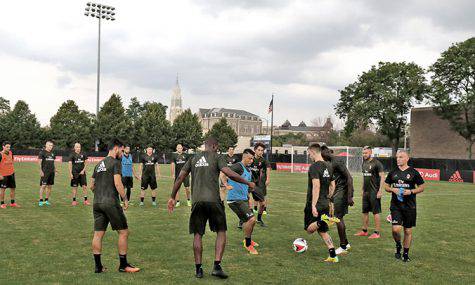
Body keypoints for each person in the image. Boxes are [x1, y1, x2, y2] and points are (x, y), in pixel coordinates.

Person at [168, 137, 255, 279]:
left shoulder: (193, 158)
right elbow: (229, 172)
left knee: (198, 234)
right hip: (214, 201)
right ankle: (217, 266)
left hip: (197, 202)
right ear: (214, 146)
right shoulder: (217, 157)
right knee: (221, 231)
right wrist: (247, 182)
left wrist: (172, 197)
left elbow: (180, 177)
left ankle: (198, 269)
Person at [90, 139, 140, 273]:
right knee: (123, 232)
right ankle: (123, 265)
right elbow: (118, 184)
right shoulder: (116, 163)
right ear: (116, 148)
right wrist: (125, 198)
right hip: (110, 202)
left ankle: (98, 267)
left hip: (97, 203)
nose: (123, 153)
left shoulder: (99, 164)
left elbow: (91, 186)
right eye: (122, 150)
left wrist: (100, 193)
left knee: (98, 234)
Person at [384, 150, 425, 262]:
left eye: (401, 157)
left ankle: (405, 254)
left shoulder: (414, 172)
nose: (398, 159)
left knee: (407, 231)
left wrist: (411, 192)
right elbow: (386, 187)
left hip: (410, 206)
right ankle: (398, 245)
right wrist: (393, 189)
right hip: (396, 205)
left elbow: (422, 187)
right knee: (396, 230)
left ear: (407, 158)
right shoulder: (393, 172)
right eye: (397, 157)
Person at [304, 143, 339, 263]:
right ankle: (333, 255)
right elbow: (333, 185)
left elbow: (316, 186)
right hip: (325, 202)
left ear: (313, 152)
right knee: (322, 231)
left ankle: (322, 220)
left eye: (309, 153)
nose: (309, 156)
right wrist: (329, 197)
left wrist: (313, 205)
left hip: (315, 203)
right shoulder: (329, 166)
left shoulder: (314, 167)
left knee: (309, 229)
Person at [224, 148, 259, 255]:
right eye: (250, 158)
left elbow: (245, 186)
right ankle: (248, 244)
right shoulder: (237, 166)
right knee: (252, 220)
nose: (251, 160)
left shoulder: (248, 170)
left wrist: (248, 197)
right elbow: (223, 173)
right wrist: (225, 185)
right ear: (244, 157)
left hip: (243, 199)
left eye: (252, 159)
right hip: (235, 199)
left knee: (248, 221)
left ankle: (247, 240)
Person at [321, 146, 354, 255]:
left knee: (338, 218)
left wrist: (350, 196)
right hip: (337, 193)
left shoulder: (337, 161)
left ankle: (343, 246)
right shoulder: (329, 162)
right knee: (339, 218)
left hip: (343, 193)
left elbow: (349, 178)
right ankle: (346, 243)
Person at [354, 146, 385, 239]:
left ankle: (377, 232)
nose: (364, 155)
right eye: (363, 153)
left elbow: (382, 177)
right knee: (365, 211)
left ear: (370, 152)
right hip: (366, 192)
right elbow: (364, 177)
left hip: (374, 191)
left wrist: (380, 190)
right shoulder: (364, 163)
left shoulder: (377, 163)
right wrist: (362, 189)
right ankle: (364, 230)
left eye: (366, 153)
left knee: (375, 212)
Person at [250, 143, 271, 226]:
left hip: (258, 184)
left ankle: (259, 219)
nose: (260, 152)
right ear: (255, 150)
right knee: (246, 202)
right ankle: (243, 220)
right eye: (259, 150)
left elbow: (268, 168)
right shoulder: (250, 158)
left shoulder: (263, 160)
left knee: (262, 204)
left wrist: (268, 179)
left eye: (262, 150)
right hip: (248, 182)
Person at [38, 141, 58, 207]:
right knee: (43, 186)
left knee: (49, 186)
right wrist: (40, 170)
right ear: (46, 145)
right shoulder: (42, 152)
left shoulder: (53, 153)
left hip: (51, 172)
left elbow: (53, 162)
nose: (51, 147)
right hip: (45, 172)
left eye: (52, 145)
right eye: (49, 145)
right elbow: (39, 162)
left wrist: (55, 170)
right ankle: (41, 200)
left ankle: (46, 200)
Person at [0, 142, 19, 208]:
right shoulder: (0, 154)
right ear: (3, 146)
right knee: (3, 189)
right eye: (7, 147)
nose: (8, 148)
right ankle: (2, 203)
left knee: (13, 188)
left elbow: (12, 161)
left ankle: (12, 203)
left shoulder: (11, 153)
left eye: (9, 147)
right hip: (3, 175)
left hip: (11, 174)